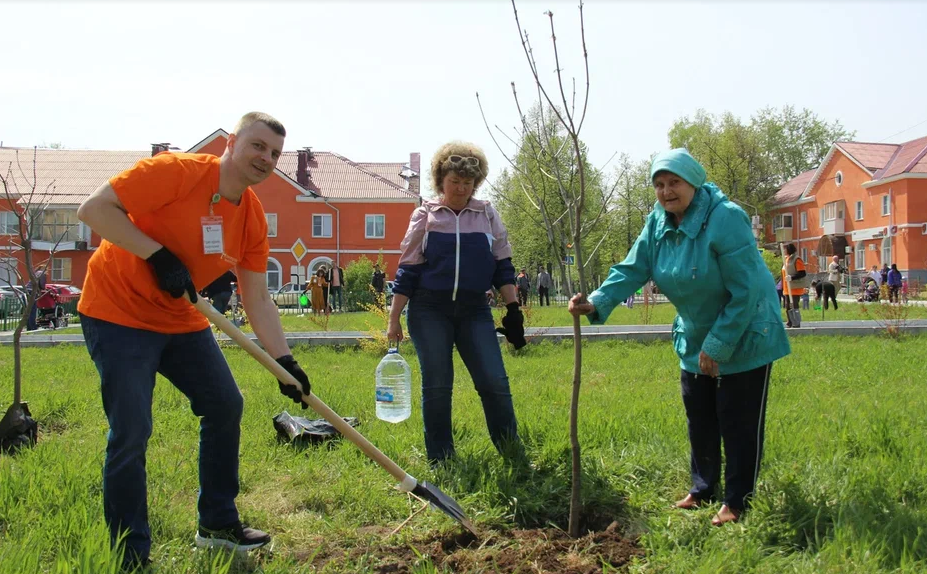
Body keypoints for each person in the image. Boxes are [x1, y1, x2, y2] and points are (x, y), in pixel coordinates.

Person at [75, 112, 312, 570]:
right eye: (258, 146)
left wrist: (284, 360)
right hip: (117, 312)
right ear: (232, 143)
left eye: (275, 153)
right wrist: (158, 255)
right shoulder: (174, 172)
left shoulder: (251, 218)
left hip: (181, 318)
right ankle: (130, 554)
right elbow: (95, 210)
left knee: (225, 404)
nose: (266, 158)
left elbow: (258, 296)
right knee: (132, 430)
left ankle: (217, 524)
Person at [569, 148, 790, 527]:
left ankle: (737, 501)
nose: (666, 191)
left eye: (674, 183)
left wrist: (719, 344)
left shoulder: (726, 219)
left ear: (694, 182)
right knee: (700, 416)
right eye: (659, 184)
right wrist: (597, 302)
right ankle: (703, 488)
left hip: (745, 328)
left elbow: (747, 290)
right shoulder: (658, 222)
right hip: (694, 332)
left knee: (738, 421)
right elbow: (633, 267)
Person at [387, 141, 527, 466]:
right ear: (441, 181)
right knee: (437, 386)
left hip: (474, 310)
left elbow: (502, 264)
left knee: (493, 381)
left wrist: (514, 310)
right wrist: (394, 318)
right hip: (428, 310)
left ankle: (513, 454)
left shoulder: (486, 213)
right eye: (455, 182)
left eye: (468, 183)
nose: (461, 188)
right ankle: (442, 460)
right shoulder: (426, 215)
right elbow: (408, 269)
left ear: (475, 183)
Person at [781, 244, 809, 327]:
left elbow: (802, 273)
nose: (784, 251)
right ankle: (790, 322)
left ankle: (796, 322)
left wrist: (792, 277)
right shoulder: (786, 259)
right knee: (787, 306)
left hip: (794, 288)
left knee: (794, 305)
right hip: (787, 288)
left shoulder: (796, 259)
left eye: (785, 249)